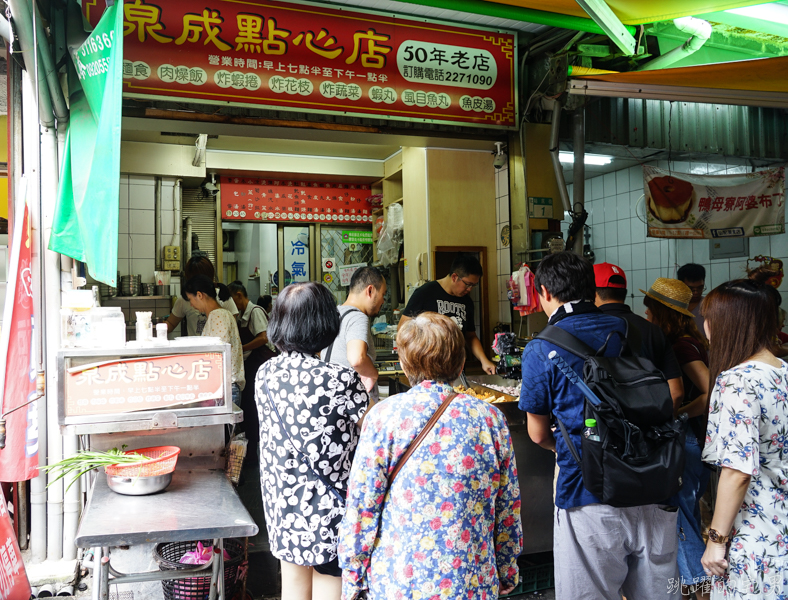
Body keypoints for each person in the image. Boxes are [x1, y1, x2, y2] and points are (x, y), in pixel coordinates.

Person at [519, 251, 679, 599]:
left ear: (544, 292)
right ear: (592, 290)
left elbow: (538, 434)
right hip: (653, 481)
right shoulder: (634, 330)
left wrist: (585, 448)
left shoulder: (540, 349)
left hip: (587, 492)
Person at [338, 312, 522, 600]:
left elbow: (362, 507)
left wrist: (353, 578)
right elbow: (507, 505)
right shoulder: (490, 419)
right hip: (472, 582)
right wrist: (507, 568)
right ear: (460, 363)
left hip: (400, 582)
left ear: (404, 364)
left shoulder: (384, 417)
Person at [256, 282, 369, 600]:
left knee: (292, 587)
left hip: (284, 507)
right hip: (329, 513)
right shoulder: (341, 379)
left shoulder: (265, 373)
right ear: (325, 323)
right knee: (329, 587)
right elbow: (371, 429)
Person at [700, 279, 788, 599]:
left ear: (727, 323)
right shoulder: (784, 372)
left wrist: (716, 541)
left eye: (708, 317)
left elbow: (737, 472)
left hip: (756, 540)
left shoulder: (737, 380)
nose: (705, 326)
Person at [643, 278, 711, 599]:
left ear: (661, 312)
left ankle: (701, 586)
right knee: (687, 514)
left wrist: (680, 412)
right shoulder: (688, 339)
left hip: (686, 441)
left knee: (677, 516)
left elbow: (710, 391)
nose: (645, 312)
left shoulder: (681, 345)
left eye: (650, 307)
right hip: (694, 441)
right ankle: (691, 589)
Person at [593, 262, 684, 408]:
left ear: (593, 293)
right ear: (624, 292)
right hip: (649, 425)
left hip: (603, 427)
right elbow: (676, 392)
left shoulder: (587, 328)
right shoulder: (653, 330)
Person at [399, 254, 496, 374]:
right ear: (455, 277)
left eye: (473, 285)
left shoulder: (467, 302)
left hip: (456, 370)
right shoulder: (425, 293)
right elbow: (403, 329)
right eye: (468, 284)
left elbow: (470, 336)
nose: (470, 289)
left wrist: (484, 360)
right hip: (428, 369)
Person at [320, 267, 386, 402]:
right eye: (383, 295)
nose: (383, 301)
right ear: (370, 290)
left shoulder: (336, 313)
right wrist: (373, 374)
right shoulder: (358, 317)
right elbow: (357, 359)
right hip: (352, 402)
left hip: (332, 395)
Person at [228, 280, 276, 460]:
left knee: (254, 409)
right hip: (249, 366)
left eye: (233, 301)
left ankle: (254, 455)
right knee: (249, 409)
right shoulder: (241, 316)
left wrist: (241, 347)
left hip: (259, 365)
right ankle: (249, 453)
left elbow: (264, 337)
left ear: (239, 296)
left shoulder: (255, 312)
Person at [182, 275, 245, 406]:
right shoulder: (221, 314)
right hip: (225, 386)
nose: (191, 305)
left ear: (199, 295)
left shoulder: (218, 316)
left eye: (190, 299)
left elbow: (217, 356)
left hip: (224, 388)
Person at [167, 256, 238, 336]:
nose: (191, 304)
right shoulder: (184, 299)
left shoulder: (223, 296)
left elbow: (231, 332)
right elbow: (170, 323)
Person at [678, 263, 707, 341]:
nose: (696, 292)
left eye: (700, 288)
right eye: (690, 289)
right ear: (681, 286)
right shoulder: (673, 307)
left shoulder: (709, 306)